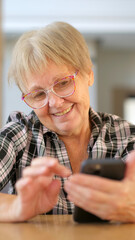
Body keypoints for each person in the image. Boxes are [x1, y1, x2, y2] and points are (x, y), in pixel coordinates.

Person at [0, 21, 135, 223]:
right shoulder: (16, 136)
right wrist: (16, 207)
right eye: (38, 94)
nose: (54, 102)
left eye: (63, 83)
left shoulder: (126, 136)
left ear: (89, 73)